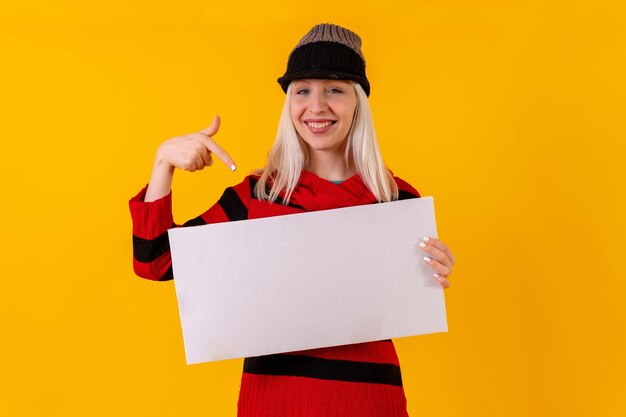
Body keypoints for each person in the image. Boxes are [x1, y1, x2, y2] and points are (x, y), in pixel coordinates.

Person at [129, 23, 456, 417]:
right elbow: (154, 263)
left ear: (358, 102)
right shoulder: (257, 196)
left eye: (334, 88)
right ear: (289, 104)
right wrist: (162, 163)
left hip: (370, 401)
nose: (316, 106)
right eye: (303, 90)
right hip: (274, 402)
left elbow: (409, 298)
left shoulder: (396, 198)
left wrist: (434, 270)